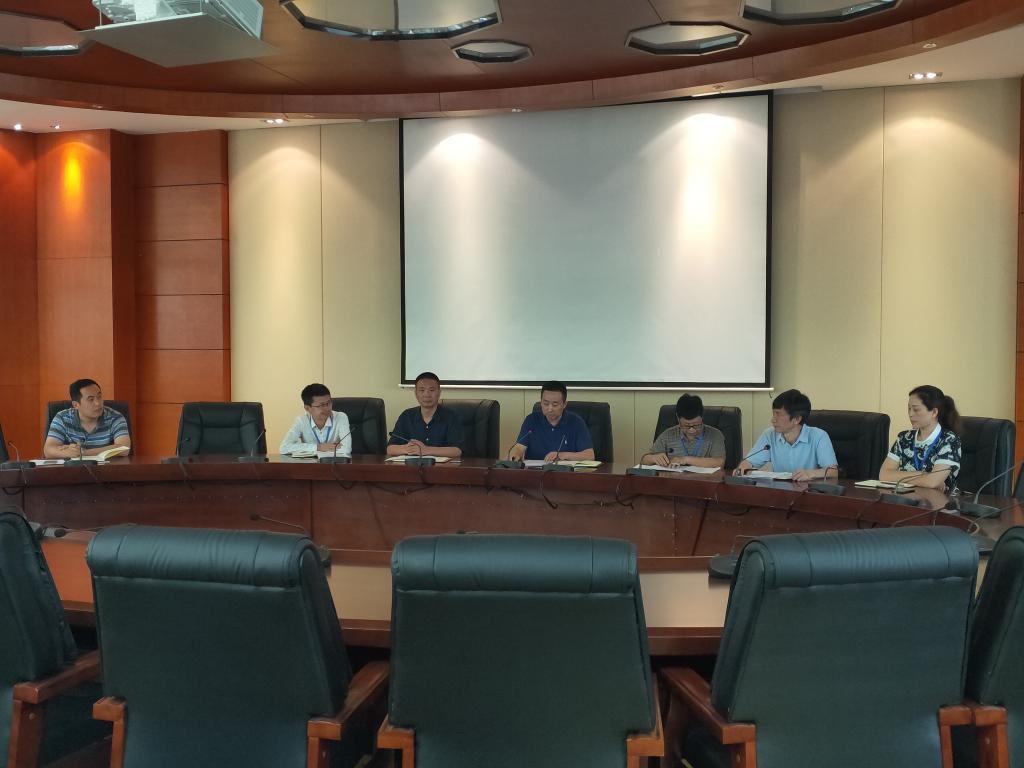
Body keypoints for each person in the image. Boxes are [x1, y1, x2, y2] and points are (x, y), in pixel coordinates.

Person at [734, 388, 837, 482]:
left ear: (797, 419)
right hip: (779, 491)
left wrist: (810, 474)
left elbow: (832, 472)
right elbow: (750, 462)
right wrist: (743, 466)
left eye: (778, 414)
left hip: (808, 491)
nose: (772, 420)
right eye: (773, 414)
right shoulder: (769, 435)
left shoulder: (819, 436)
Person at [879, 385, 962, 491]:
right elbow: (884, 475)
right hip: (906, 498)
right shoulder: (904, 438)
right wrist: (922, 475)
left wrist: (898, 477)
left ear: (934, 412)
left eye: (916, 409)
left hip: (940, 500)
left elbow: (932, 482)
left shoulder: (949, 440)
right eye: (909, 408)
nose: (910, 414)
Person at [508, 381, 595, 463]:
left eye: (555, 405)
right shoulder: (531, 420)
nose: (550, 409)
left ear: (564, 404)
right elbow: (519, 448)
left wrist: (561, 455)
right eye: (546, 403)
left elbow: (589, 456)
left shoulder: (576, 422)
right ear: (541, 402)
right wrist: (515, 454)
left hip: (564, 472)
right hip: (535, 472)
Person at [43, 379, 131, 459]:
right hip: (71, 470)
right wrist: (67, 452)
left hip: (106, 470)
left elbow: (124, 448)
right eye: (91, 399)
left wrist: (83, 453)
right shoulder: (62, 418)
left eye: (99, 397)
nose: (98, 403)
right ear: (76, 405)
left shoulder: (115, 417)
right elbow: (48, 450)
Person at [386, 372, 464, 458]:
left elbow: (457, 451)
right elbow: (390, 449)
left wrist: (425, 450)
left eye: (431, 390)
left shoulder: (451, 416)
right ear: (416, 394)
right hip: (412, 465)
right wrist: (409, 449)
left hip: (442, 466)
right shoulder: (407, 416)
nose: (426, 394)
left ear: (439, 393)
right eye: (422, 390)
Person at [642, 394, 726, 469]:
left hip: (705, 481)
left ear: (702, 417)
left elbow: (720, 463)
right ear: (678, 418)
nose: (691, 429)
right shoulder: (667, 435)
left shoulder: (715, 435)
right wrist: (653, 458)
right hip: (673, 479)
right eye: (686, 425)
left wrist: (685, 459)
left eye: (696, 425)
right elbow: (644, 460)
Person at [279, 383, 352, 456]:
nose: (327, 408)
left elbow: (347, 449)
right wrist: (318, 447)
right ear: (307, 408)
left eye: (329, 403)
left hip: (334, 462)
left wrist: (309, 450)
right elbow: (284, 448)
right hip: (310, 462)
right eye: (322, 405)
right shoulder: (301, 421)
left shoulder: (341, 417)